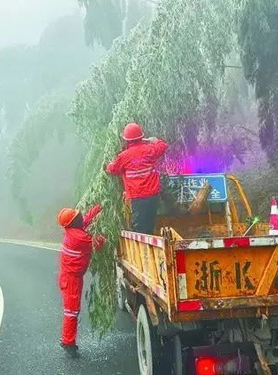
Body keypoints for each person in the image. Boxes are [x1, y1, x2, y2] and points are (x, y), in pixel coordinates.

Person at [57, 204, 105, 358]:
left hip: (72, 277)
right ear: (72, 222)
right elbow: (99, 243)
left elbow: (86, 220)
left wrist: (99, 206)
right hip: (71, 280)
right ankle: (68, 342)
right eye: (77, 216)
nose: (80, 216)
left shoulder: (74, 230)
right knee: (71, 312)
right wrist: (109, 233)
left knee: (72, 311)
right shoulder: (79, 238)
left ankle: (68, 340)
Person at [105, 122, 167, 234]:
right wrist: (152, 140)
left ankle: (144, 249)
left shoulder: (124, 156)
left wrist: (107, 165)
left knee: (139, 228)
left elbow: (113, 169)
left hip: (137, 197)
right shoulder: (150, 150)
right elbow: (162, 146)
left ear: (127, 140)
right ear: (141, 137)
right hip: (153, 195)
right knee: (150, 224)